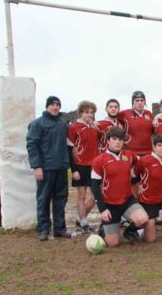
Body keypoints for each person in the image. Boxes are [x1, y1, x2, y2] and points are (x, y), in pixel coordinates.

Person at [91, 127, 149, 246]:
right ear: (108, 140)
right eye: (114, 139)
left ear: (124, 142)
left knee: (143, 219)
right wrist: (102, 209)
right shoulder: (99, 160)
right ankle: (104, 228)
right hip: (110, 204)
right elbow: (95, 186)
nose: (118, 142)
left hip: (127, 200)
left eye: (121, 139)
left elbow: (142, 164)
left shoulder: (129, 155)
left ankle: (129, 231)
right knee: (113, 244)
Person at [27, 96, 71, 241]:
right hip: (45, 168)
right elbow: (32, 145)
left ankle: (60, 229)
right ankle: (43, 229)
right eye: (52, 104)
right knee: (44, 199)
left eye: (58, 105)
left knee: (60, 199)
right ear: (47, 106)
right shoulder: (37, 124)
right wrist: (37, 166)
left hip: (61, 168)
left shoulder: (63, 123)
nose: (55, 107)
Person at [67, 100, 99, 233]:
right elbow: (69, 149)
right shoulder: (74, 127)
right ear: (80, 112)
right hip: (80, 165)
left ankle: (81, 218)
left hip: (94, 166)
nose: (89, 115)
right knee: (81, 195)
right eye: (86, 112)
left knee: (96, 196)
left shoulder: (94, 127)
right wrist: (74, 169)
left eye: (91, 112)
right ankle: (84, 222)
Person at [119, 91, 154, 156]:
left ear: (145, 102)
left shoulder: (149, 114)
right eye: (137, 100)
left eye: (142, 100)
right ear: (133, 102)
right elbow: (113, 117)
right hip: (131, 151)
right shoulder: (125, 113)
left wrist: (157, 118)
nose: (140, 102)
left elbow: (153, 130)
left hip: (148, 151)